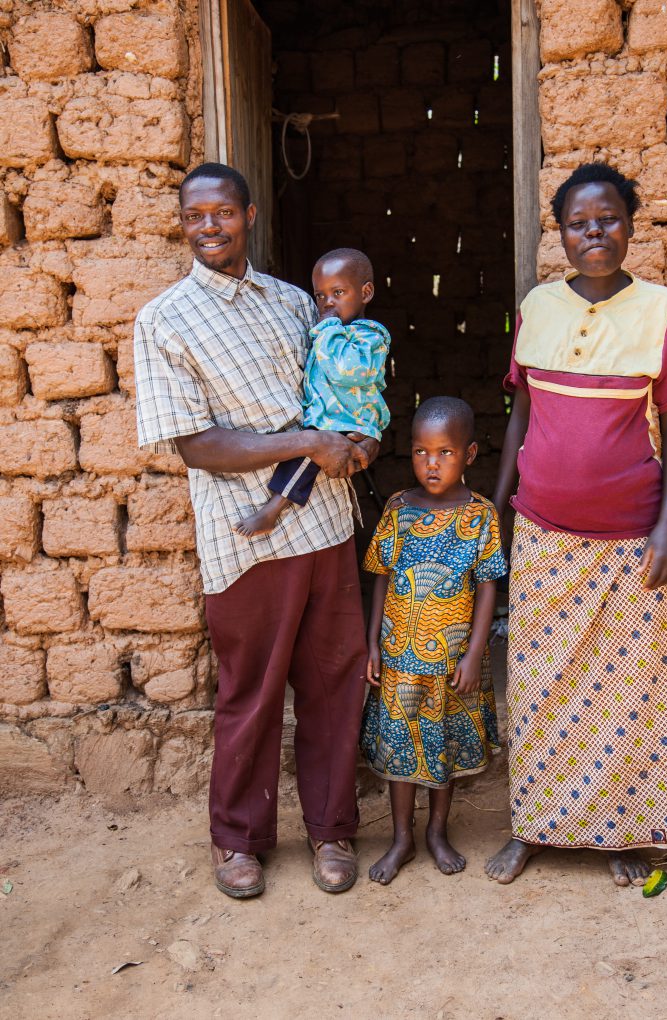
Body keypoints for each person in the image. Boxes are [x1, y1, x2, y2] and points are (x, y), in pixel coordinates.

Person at [134, 162, 377, 898]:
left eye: (223, 213)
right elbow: (195, 445)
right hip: (244, 536)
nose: (209, 227)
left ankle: (333, 829)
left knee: (335, 686)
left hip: (327, 523)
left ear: (248, 216)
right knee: (252, 692)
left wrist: (357, 440)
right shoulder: (164, 319)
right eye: (194, 216)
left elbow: (340, 388)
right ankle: (238, 839)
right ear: (184, 224)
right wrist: (305, 443)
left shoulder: (294, 302)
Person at [485, 162, 667, 888]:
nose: (595, 234)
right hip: (545, 529)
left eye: (608, 219)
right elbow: (521, 415)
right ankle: (535, 827)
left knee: (625, 695)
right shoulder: (539, 307)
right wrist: (498, 507)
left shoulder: (660, 311)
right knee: (541, 686)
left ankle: (622, 832)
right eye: (580, 224)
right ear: (562, 233)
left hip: (629, 537)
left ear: (631, 225)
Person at [360, 397, 507, 885]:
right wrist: (374, 642)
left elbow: (489, 588)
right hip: (401, 657)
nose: (431, 463)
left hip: (452, 663)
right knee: (402, 749)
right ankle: (401, 838)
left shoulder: (481, 515)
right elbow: (380, 575)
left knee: (440, 746)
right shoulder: (399, 509)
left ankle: (437, 833)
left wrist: (473, 653)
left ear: (468, 454)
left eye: (444, 452)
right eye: (421, 452)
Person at [234, 247, 390, 537]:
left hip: (348, 419)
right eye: (321, 296)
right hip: (332, 417)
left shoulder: (370, 335)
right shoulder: (331, 332)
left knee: (304, 458)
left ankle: (273, 509)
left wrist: (327, 328)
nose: (328, 303)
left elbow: (344, 371)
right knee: (306, 456)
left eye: (339, 293)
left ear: (365, 292)